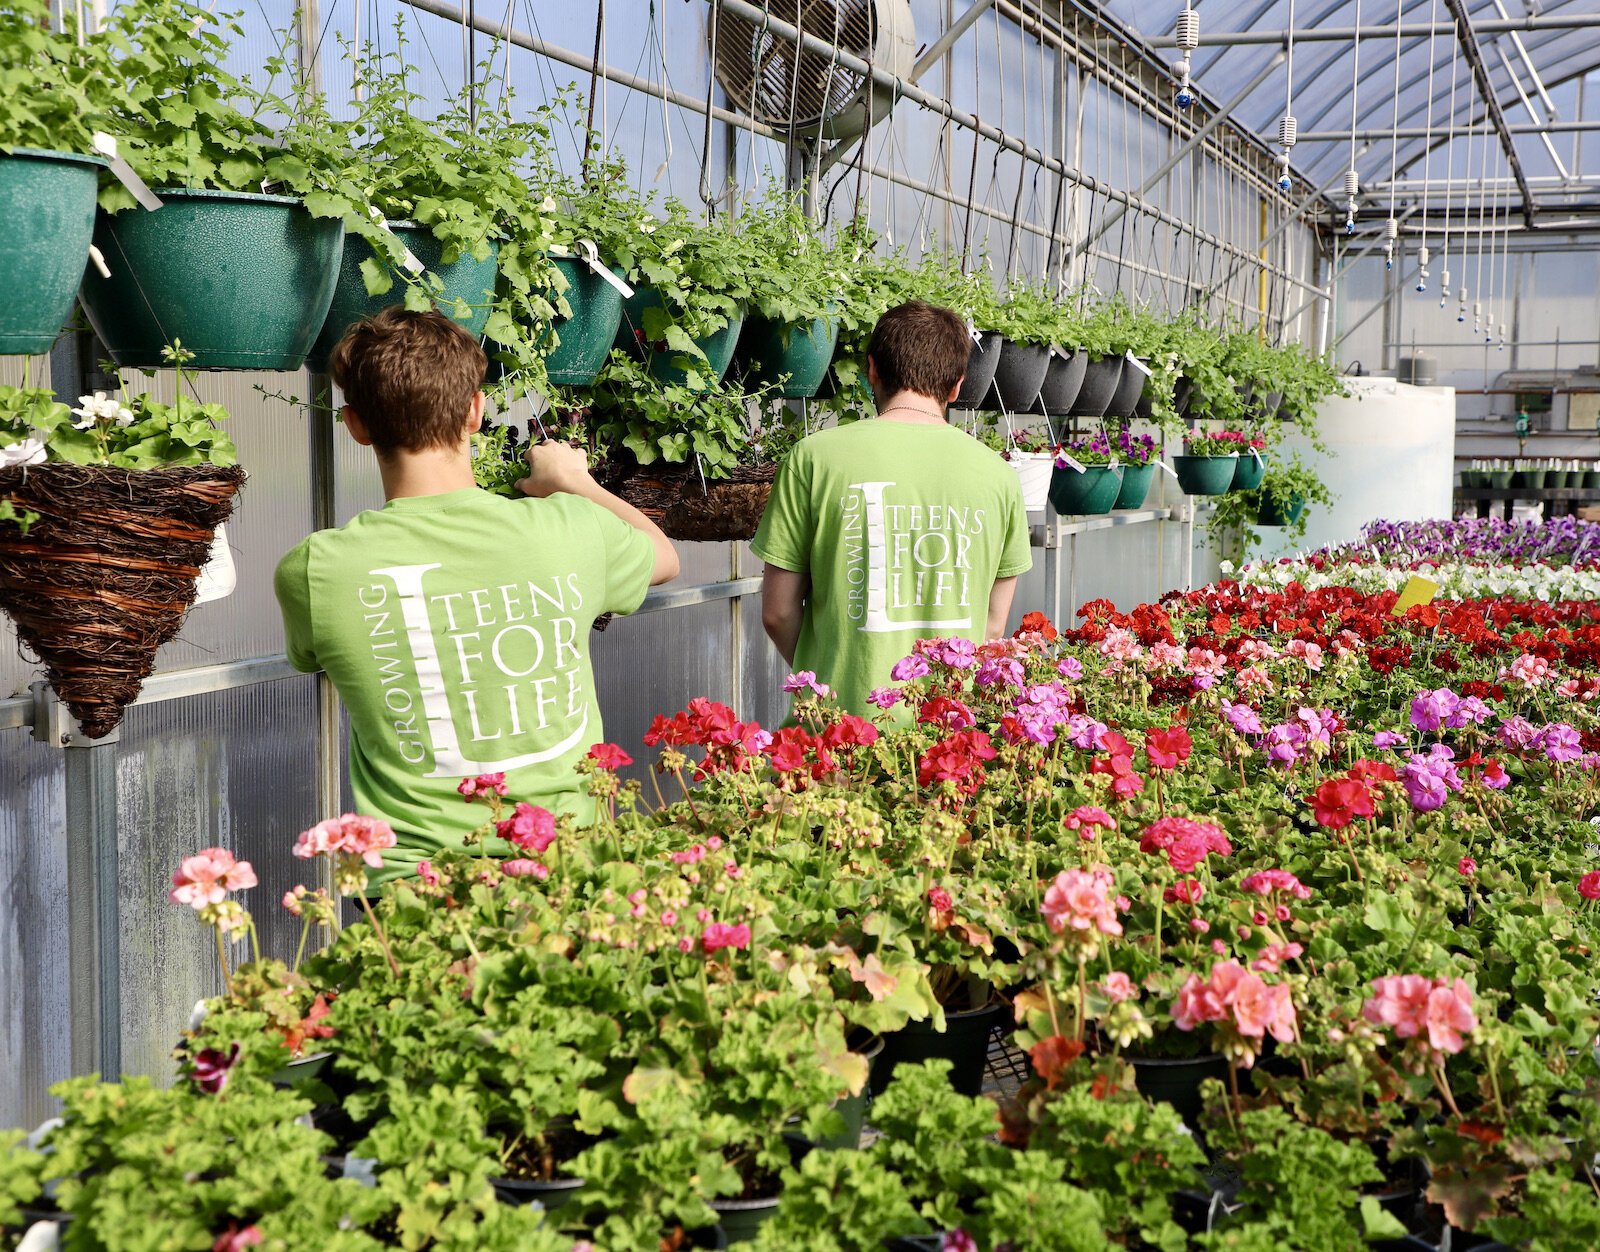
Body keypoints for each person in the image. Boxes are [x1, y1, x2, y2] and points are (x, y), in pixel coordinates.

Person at [274, 308, 678, 879]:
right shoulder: (571, 528)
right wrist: (574, 482)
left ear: (355, 425)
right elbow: (663, 556)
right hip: (568, 867)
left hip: (418, 894)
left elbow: (310, 656)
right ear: (474, 411)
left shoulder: (315, 570)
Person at [752, 299, 1032, 716]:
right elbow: (992, 625)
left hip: (835, 734)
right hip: (946, 742)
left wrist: (831, 672)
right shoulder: (1000, 477)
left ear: (872, 370)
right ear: (956, 386)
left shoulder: (813, 458)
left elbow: (777, 612)